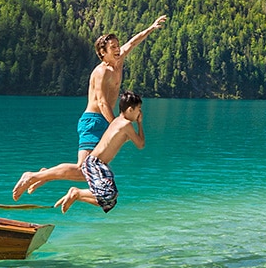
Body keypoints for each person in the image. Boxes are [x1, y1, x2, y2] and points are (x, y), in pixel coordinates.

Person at [15, 14, 165, 200]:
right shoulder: (101, 72)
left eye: (118, 45)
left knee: (87, 171)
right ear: (103, 52)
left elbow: (133, 42)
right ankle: (34, 176)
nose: (118, 49)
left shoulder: (118, 60)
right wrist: (115, 127)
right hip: (93, 121)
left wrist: (151, 27)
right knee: (83, 169)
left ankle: (45, 175)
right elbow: (102, 102)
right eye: (113, 47)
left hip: (104, 121)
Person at [13, 92, 145, 213]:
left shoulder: (117, 122)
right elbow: (140, 144)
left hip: (99, 164)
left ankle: (76, 194)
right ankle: (68, 189)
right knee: (108, 194)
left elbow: (122, 139)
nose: (139, 113)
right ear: (130, 109)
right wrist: (140, 124)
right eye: (139, 109)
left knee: (110, 201)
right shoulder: (126, 124)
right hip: (95, 163)